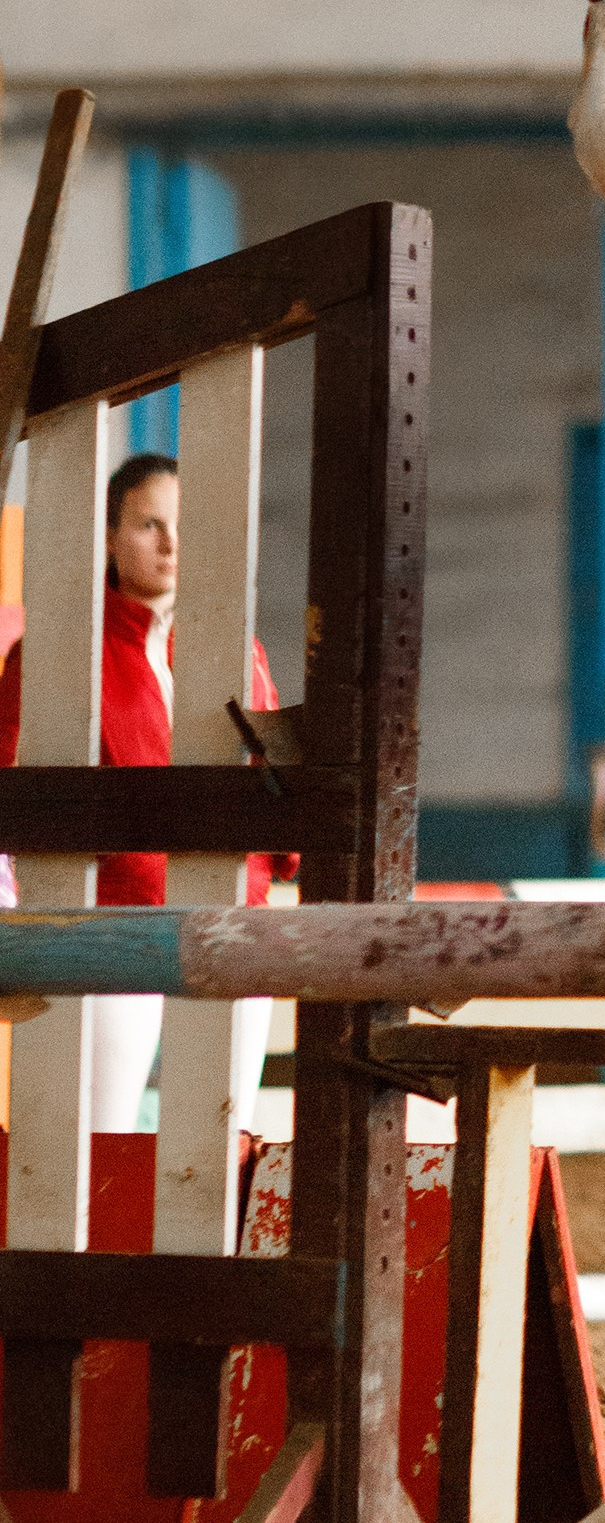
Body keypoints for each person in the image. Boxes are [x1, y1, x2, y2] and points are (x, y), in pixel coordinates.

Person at [0, 451, 291, 1134]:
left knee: (222, 1142)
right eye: (149, 524)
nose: (171, 543)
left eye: (185, 525)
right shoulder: (56, 653)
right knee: (92, 1142)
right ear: (109, 536)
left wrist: (273, 865)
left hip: (231, 919)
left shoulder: (238, 649)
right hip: (110, 925)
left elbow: (274, 778)